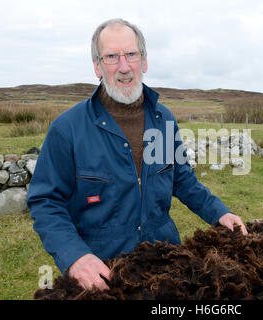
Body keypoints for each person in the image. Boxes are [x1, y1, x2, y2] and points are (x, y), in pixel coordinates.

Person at [27, 18, 247, 292]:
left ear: (144, 61)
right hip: (105, 274)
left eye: (131, 54)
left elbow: (182, 180)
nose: (123, 67)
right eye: (111, 57)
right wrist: (76, 257)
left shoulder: (163, 120)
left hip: (165, 263)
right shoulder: (67, 129)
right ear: (97, 66)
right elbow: (46, 201)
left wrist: (220, 213)